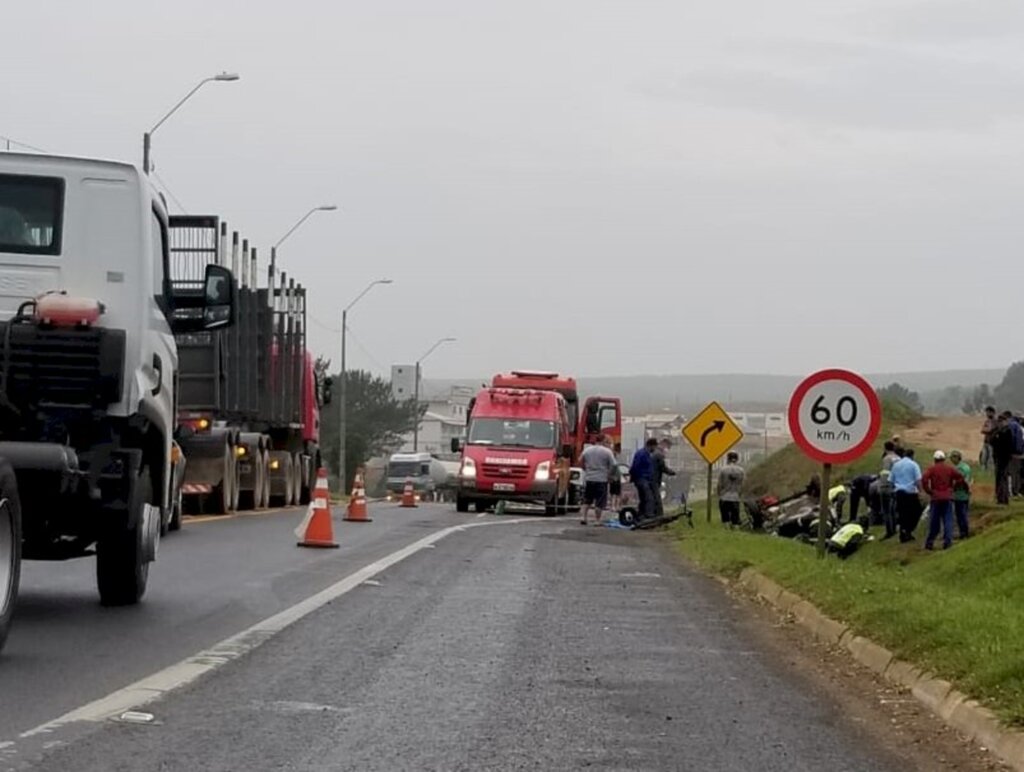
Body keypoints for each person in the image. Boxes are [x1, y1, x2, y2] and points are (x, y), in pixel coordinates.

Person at [921, 450, 965, 551]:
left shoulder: (932, 469)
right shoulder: (949, 469)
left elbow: (924, 479)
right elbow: (960, 477)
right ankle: (947, 542)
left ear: (935, 459)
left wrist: (929, 491)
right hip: (947, 497)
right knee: (948, 521)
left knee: (934, 522)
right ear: (944, 459)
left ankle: (929, 543)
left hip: (936, 498)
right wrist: (953, 487)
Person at [579, 434, 617, 526]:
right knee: (599, 502)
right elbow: (614, 465)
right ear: (603, 440)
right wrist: (610, 475)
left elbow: (580, 460)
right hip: (601, 479)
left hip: (589, 478)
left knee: (587, 499)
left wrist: (585, 468)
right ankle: (597, 520)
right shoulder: (607, 452)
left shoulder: (587, 450)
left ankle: (583, 517)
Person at [890, 448, 922, 542]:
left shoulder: (896, 465)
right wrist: (920, 491)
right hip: (910, 493)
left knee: (902, 513)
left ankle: (903, 533)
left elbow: (891, 480)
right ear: (912, 456)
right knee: (916, 512)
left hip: (899, 492)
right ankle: (908, 531)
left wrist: (893, 490)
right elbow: (918, 480)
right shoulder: (913, 464)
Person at [629, 438, 658, 521]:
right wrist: (635, 477)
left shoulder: (646, 453)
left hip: (644, 479)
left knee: (643, 498)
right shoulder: (642, 454)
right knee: (649, 497)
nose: (655, 449)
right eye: (655, 447)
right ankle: (648, 515)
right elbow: (635, 466)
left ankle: (640, 515)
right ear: (651, 445)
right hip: (641, 479)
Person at [990, 412, 1015, 505]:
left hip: (1003, 458)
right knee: (1000, 478)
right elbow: (991, 441)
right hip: (999, 457)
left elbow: (1002, 445)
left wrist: (997, 434)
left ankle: (1003, 499)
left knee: (1002, 478)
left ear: (1005, 421)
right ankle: (1000, 497)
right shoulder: (1000, 431)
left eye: (1001, 421)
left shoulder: (1006, 432)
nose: (1000, 423)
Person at [717, 451, 745, 527]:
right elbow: (742, 485)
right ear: (737, 459)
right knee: (735, 519)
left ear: (728, 459)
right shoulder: (741, 471)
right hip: (735, 497)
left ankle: (727, 531)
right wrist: (740, 494)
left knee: (725, 518)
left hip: (724, 497)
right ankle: (735, 532)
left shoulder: (723, 470)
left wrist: (719, 494)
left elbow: (719, 484)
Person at [949, 449, 972, 540]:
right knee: (964, 513)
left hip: (959, 494)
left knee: (960, 515)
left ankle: (963, 533)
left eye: (952, 458)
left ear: (956, 458)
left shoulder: (959, 468)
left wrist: (952, 488)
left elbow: (960, 481)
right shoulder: (966, 466)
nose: (951, 460)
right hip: (966, 494)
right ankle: (965, 531)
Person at [651, 439, 677, 518]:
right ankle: (658, 516)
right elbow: (663, 467)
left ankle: (653, 514)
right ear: (664, 444)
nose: (667, 449)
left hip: (652, 478)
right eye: (668, 447)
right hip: (653, 479)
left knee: (652, 498)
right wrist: (673, 473)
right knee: (657, 499)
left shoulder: (655, 452)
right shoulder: (658, 454)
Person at [980, 406, 998, 471]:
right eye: (986, 412)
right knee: (983, 457)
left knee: (991, 458)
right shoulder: (987, 421)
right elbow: (982, 430)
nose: (987, 414)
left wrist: (987, 429)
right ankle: (983, 471)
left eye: (988, 412)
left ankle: (990, 471)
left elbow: (990, 429)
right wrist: (987, 429)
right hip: (986, 442)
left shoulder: (995, 421)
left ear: (992, 413)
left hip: (992, 443)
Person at [609, 442, 623, 511]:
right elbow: (614, 467)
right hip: (615, 477)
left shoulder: (615, 455)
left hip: (616, 477)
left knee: (616, 493)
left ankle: (615, 506)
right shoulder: (614, 455)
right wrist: (611, 476)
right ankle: (614, 506)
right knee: (615, 493)